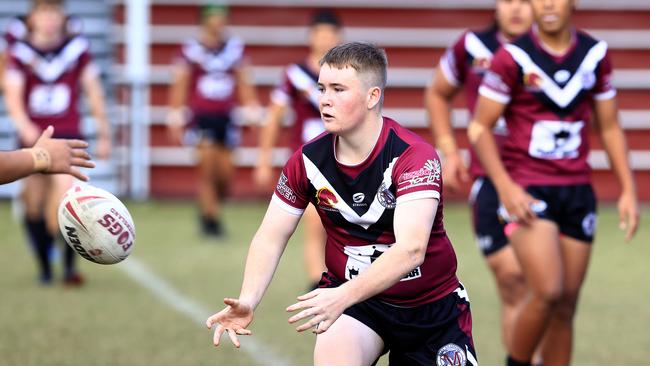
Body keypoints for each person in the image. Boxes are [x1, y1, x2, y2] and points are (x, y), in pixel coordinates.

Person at [206, 42, 478, 366]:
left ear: (372, 96)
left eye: (338, 89)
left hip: (429, 308)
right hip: (356, 305)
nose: (324, 99)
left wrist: (342, 295)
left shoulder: (414, 157)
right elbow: (271, 235)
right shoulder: (306, 161)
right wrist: (249, 299)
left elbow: (411, 250)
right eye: (321, 88)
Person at [468, 0, 639, 365]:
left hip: (577, 191)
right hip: (527, 188)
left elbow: (609, 126)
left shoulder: (595, 54)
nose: (547, 3)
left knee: (565, 305)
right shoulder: (511, 57)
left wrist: (627, 189)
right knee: (548, 290)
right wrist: (506, 186)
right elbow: (479, 127)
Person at [425, 0, 533, 356]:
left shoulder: (553, 54)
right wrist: (448, 150)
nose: (517, 8)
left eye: (526, 1)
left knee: (548, 290)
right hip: (489, 181)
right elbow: (438, 93)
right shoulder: (472, 47)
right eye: (509, 0)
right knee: (513, 281)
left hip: (540, 181)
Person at [3, 0, 112, 285]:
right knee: (34, 204)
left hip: (68, 136)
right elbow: (13, 94)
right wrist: (24, 126)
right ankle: (44, 268)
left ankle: (68, 268)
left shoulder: (76, 49)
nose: (50, 18)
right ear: (32, 18)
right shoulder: (20, 51)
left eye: (55, 12)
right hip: (35, 137)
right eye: (43, 12)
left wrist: (104, 131)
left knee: (68, 201)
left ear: (62, 16)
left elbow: (93, 90)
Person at [255, 10, 342, 289]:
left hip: (342, 156)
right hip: (308, 160)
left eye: (331, 35)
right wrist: (264, 158)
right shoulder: (295, 75)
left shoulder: (348, 75)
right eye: (321, 34)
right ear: (311, 37)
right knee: (315, 218)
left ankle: (335, 277)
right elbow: (274, 117)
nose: (325, 40)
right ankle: (317, 280)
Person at [166, 4, 261, 238]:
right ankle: (211, 220)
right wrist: (175, 114)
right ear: (204, 19)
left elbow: (244, 79)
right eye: (214, 15)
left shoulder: (234, 48)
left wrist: (251, 108)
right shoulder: (190, 49)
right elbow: (181, 81)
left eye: (222, 15)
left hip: (226, 118)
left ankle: (209, 207)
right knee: (207, 169)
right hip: (202, 118)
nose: (218, 20)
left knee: (225, 175)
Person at [0, 126, 93, 184]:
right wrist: (44, 156)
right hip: (34, 139)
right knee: (34, 197)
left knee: (63, 186)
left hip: (64, 133)